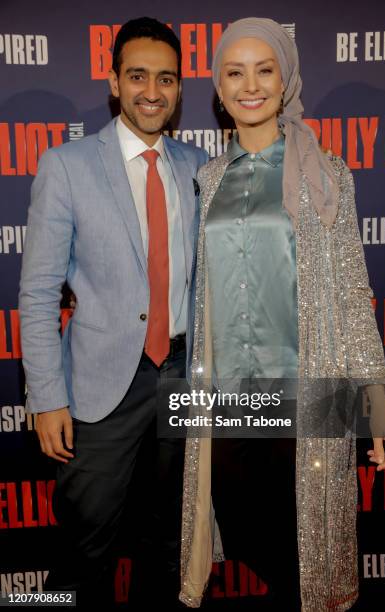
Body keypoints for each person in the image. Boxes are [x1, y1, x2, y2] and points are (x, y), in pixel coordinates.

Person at [179, 18, 385, 611]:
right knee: (242, 529)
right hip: (226, 400)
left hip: (311, 395)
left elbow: (355, 293)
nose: (249, 85)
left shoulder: (328, 176)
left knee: (305, 559)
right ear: (220, 89)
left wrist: (380, 407)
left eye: (264, 70)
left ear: (286, 80)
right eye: (235, 72)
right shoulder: (207, 179)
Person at [19, 17, 207, 609]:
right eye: (138, 76)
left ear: (180, 88)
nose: (152, 91)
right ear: (114, 81)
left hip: (181, 375)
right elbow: (38, 290)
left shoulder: (198, 165)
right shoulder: (67, 166)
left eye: (166, 79)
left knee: (169, 548)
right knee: (82, 552)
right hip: (100, 389)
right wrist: (47, 397)